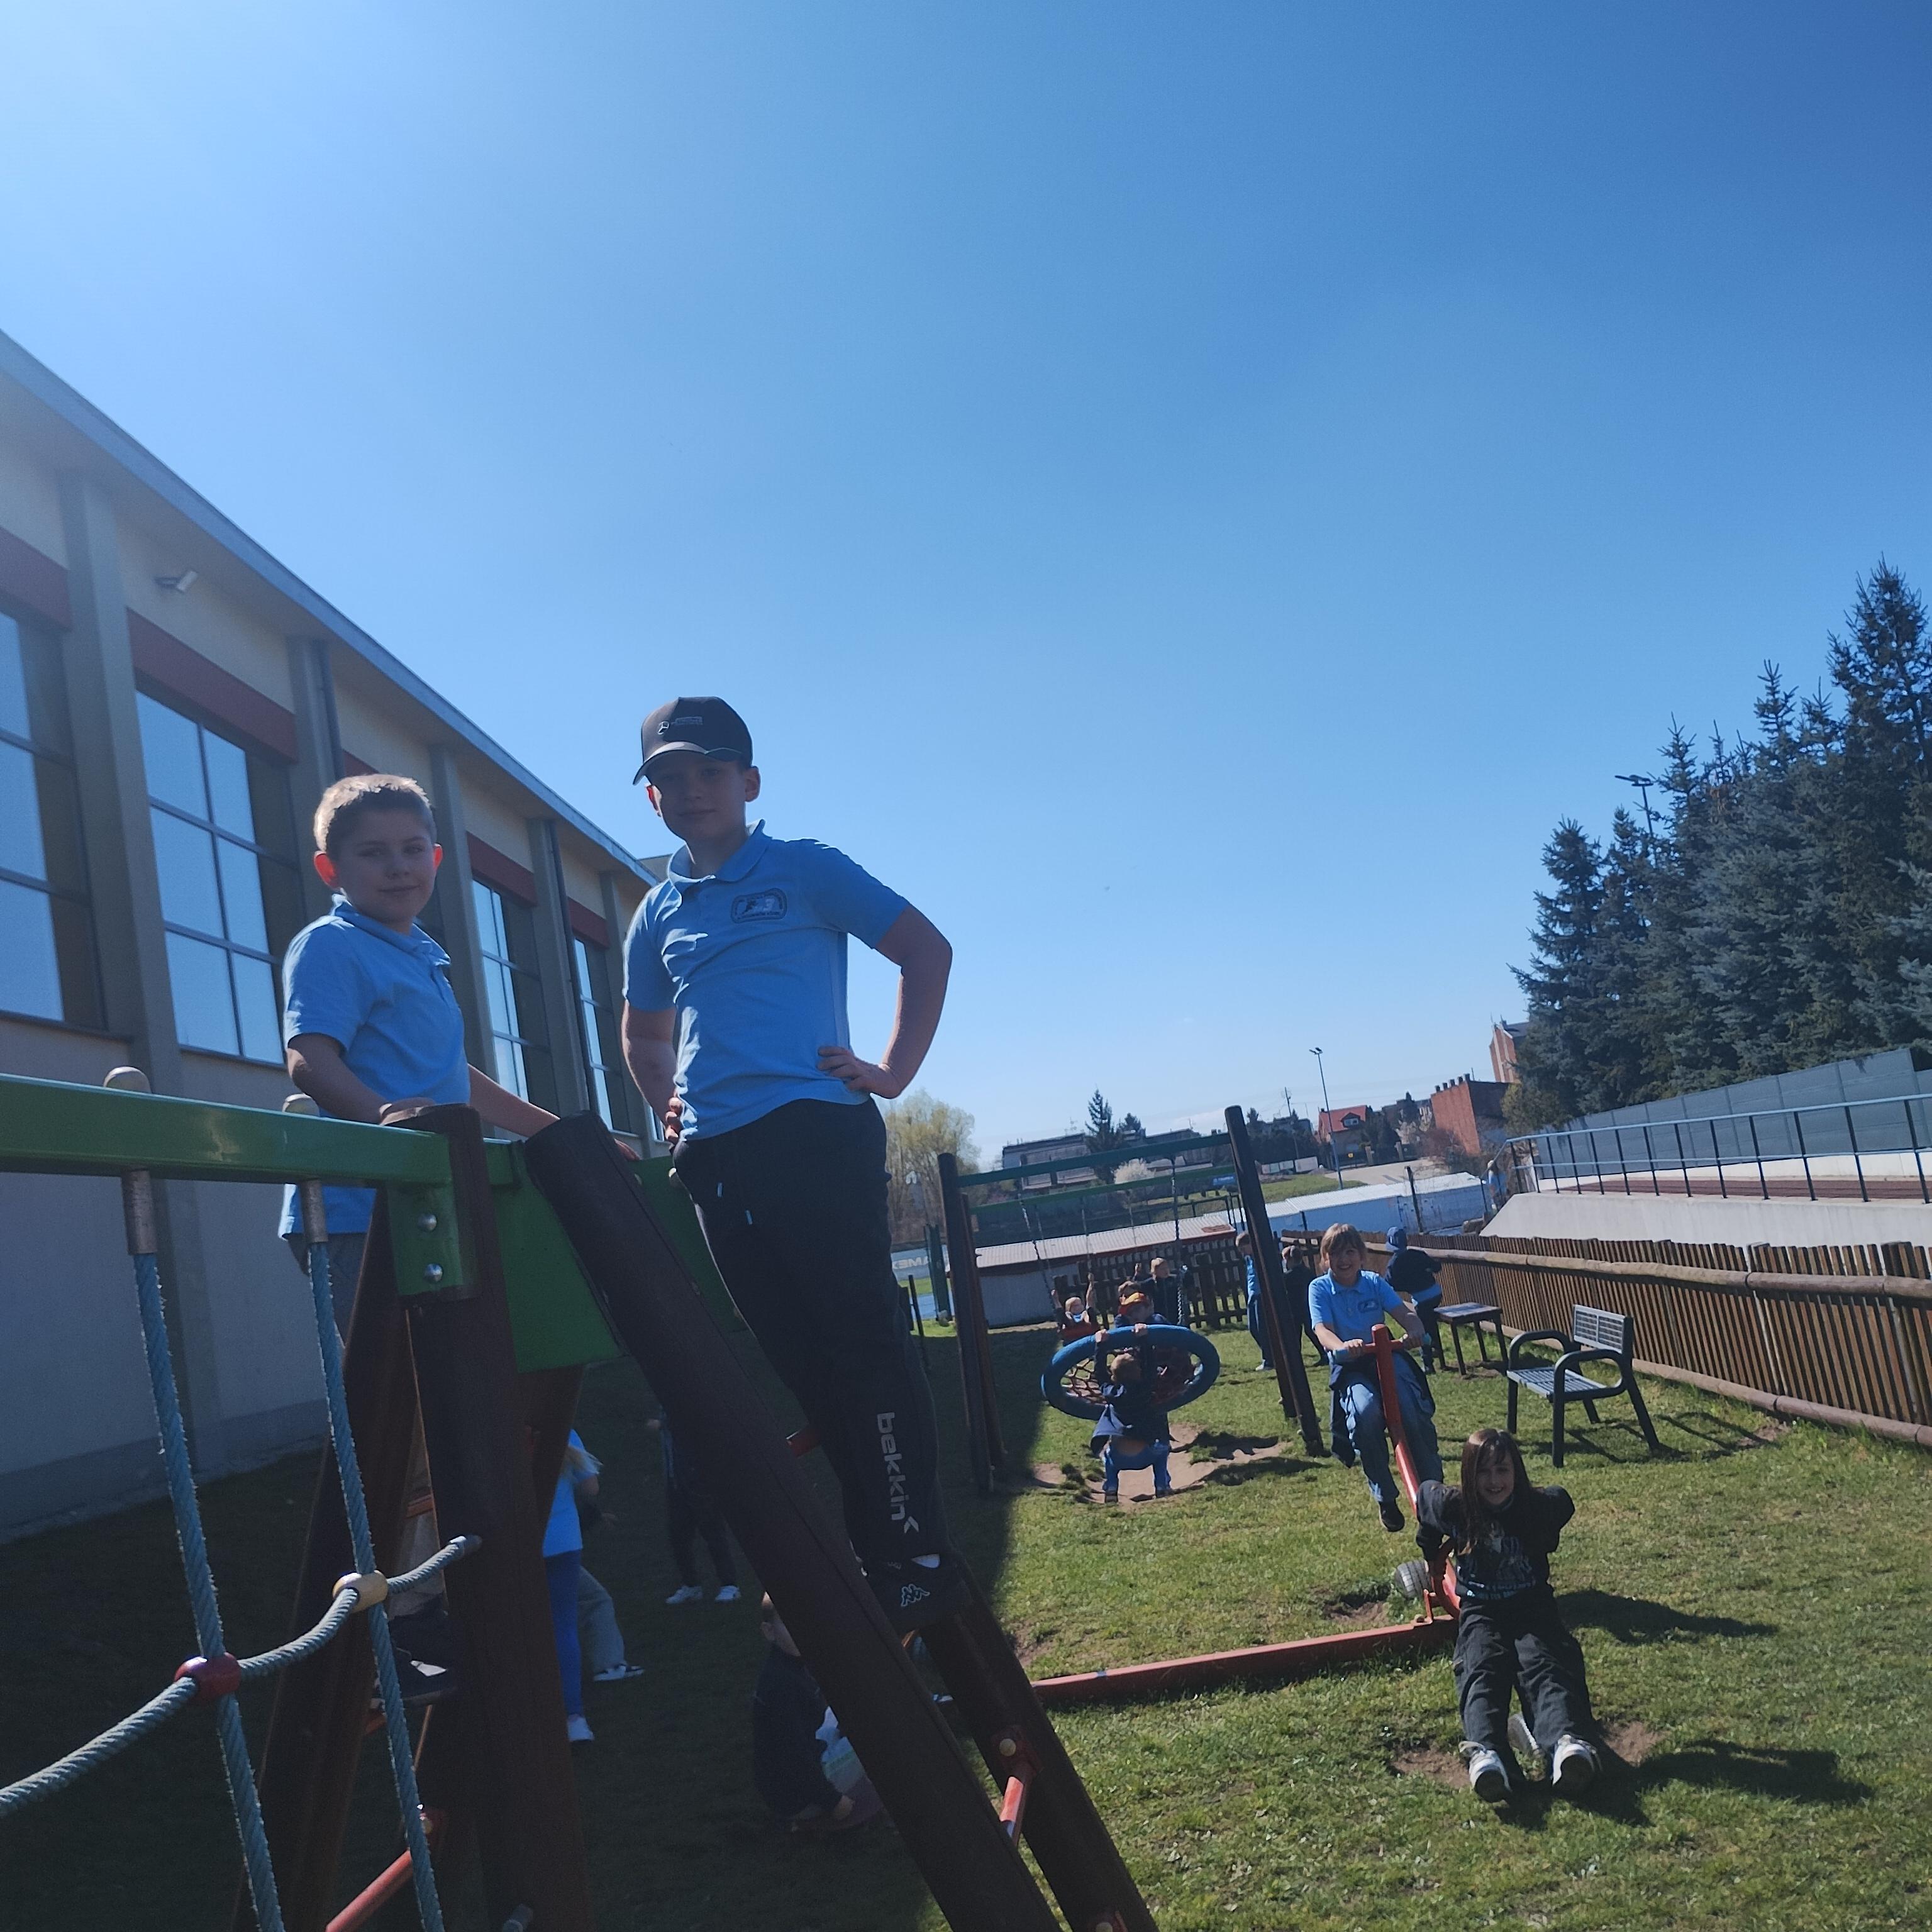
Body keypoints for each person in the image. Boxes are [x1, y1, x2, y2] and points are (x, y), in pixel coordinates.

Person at [619, 697, 959, 1632]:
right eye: (670, 778)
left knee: (863, 1343)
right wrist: (666, 1104)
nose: (692, 790)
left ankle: (917, 1552)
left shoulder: (806, 868)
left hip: (813, 1130)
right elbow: (643, 1034)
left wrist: (892, 1072)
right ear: (651, 799)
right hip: (713, 1155)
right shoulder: (656, 913)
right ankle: (876, 1548)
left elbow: (925, 952)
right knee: (798, 1356)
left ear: (749, 783)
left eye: (710, 772)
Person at [279, 774, 564, 1334]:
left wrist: (556, 1133)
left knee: (464, 1364)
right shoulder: (332, 944)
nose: (398, 867)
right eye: (373, 853)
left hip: (431, 1198)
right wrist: (387, 1118)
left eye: (412, 850)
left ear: (435, 859)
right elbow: (309, 1057)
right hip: (362, 1214)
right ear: (330, 869)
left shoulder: (420, 958)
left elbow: (453, 1076)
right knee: (397, 1376)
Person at [1416, 1429, 1601, 1802]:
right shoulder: (1455, 1507)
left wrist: (1547, 1535)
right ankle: (1487, 1754)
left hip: (1532, 1604)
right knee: (1480, 1667)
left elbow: (1563, 1502)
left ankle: (1566, 1744)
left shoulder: (1535, 1507)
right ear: (1469, 1476)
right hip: (1481, 1610)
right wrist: (1429, 1544)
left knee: (1546, 1664)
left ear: (1517, 1471)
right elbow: (1424, 1497)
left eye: (1503, 1470)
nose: (1494, 1481)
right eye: (1483, 1472)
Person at [1307, 1223, 1443, 1532]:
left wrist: (1415, 1330)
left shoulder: (1373, 1282)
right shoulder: (1320, 1289)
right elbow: (1322, 1329)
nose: (1344, 1260)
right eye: (1336, 1254)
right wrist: (1341, 1347)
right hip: (1351, 1365)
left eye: (1350, 1252)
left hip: (1385, 1356)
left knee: (1410, 1408)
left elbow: (1403, 1313)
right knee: (1365, 1413)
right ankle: (1385, 1494)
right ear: (1326, 1259)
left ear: (1361, 1256)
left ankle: (1433, 1488)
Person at [753, 1595, 884, 1831]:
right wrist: (833, 1801)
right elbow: (794, 1758)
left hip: (801, 1771)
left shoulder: (791, 1664)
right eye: (788, 1623)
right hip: (800, 1797)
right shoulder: (782, 1686)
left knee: (861, 1707)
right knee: (883, 1727)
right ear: (769, 1631)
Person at [543, 1432, 600, 1744]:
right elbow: (591, 1487)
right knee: (563, 1628)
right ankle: (574, 1718)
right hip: (562, 1540)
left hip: (514, 1542)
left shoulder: (492, 1426)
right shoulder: (562, 1428)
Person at [1092, 1288, 1174, 1499]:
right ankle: (1162, 1485)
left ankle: (1111, 1488)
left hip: (1119, 1457)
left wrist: (1100, 1346)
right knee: (1163, 1448)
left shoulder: (1110, 1392)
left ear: (1114, 1377)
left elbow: (1100, 1374)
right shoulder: (1145, 1387)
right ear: (1139, 1372)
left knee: (1107, 1457)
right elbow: (1150, 1366)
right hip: (1147, 1455)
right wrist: (1144, 1341)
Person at [650, 1414, 740, 1604]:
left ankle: (730, 1585)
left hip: (699, 1482)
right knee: (678, 1537)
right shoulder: (666, 1409)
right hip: (676, 1482)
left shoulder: (685, 1407)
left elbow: (695, 1423)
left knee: (713, 1533)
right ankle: (691, 1585)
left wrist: (665, 1423)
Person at [1385, 1227, 1445, 1371]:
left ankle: (1428, 1363)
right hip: (1436, 1294)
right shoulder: (1418, 1254)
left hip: (1421, 1300)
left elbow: (1389, 1284)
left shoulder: (1393, 1264)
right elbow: (1437, 1267)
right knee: (1430, 1323)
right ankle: (1436, 1347)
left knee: (1421, 1329)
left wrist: (1407, 1285)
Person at [1148, 1255, 1190, 1327]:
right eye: (1162, 1269)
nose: (1166, 1271)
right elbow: (1138, 1285)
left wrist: (1185, 1274)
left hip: (1174, 1309)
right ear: (1155, 1271)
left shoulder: (1173, 1280)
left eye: (1166, 1268)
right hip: (1160, 1310)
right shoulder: (1151, 1283)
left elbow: (1187, 1284)